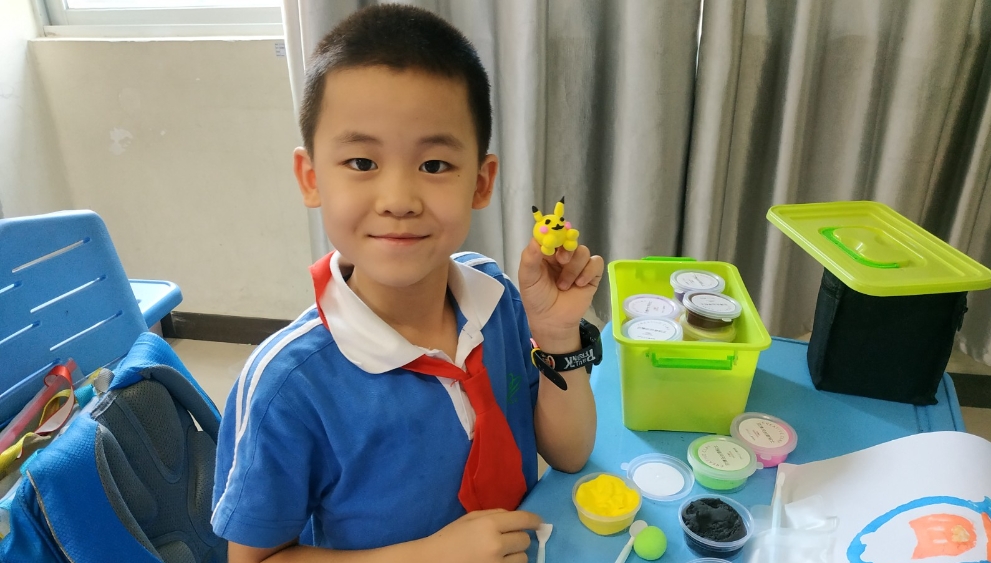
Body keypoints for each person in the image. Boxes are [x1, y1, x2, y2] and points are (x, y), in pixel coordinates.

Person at [212, 5, 603, 562]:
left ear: (481, 182)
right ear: (311, 177)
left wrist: (558, 335)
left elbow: (570, 454)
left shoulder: (497, 300)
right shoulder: (287, 387)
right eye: (361, 162)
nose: (398, 200)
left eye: (435, 165)